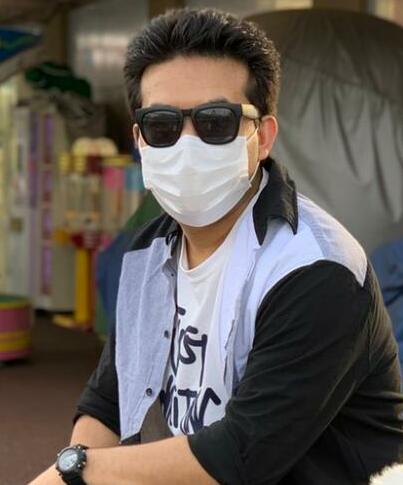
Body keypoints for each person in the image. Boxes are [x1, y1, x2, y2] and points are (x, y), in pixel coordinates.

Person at [30, 8, 403, 485]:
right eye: (162, 126)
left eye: (216, 122)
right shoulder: (146, 251)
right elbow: (109, 400)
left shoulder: (315, 267)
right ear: (140, 140)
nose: (187, 146)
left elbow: (241, 455)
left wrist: (78, 471)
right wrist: (78, 467)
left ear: (262, 137)